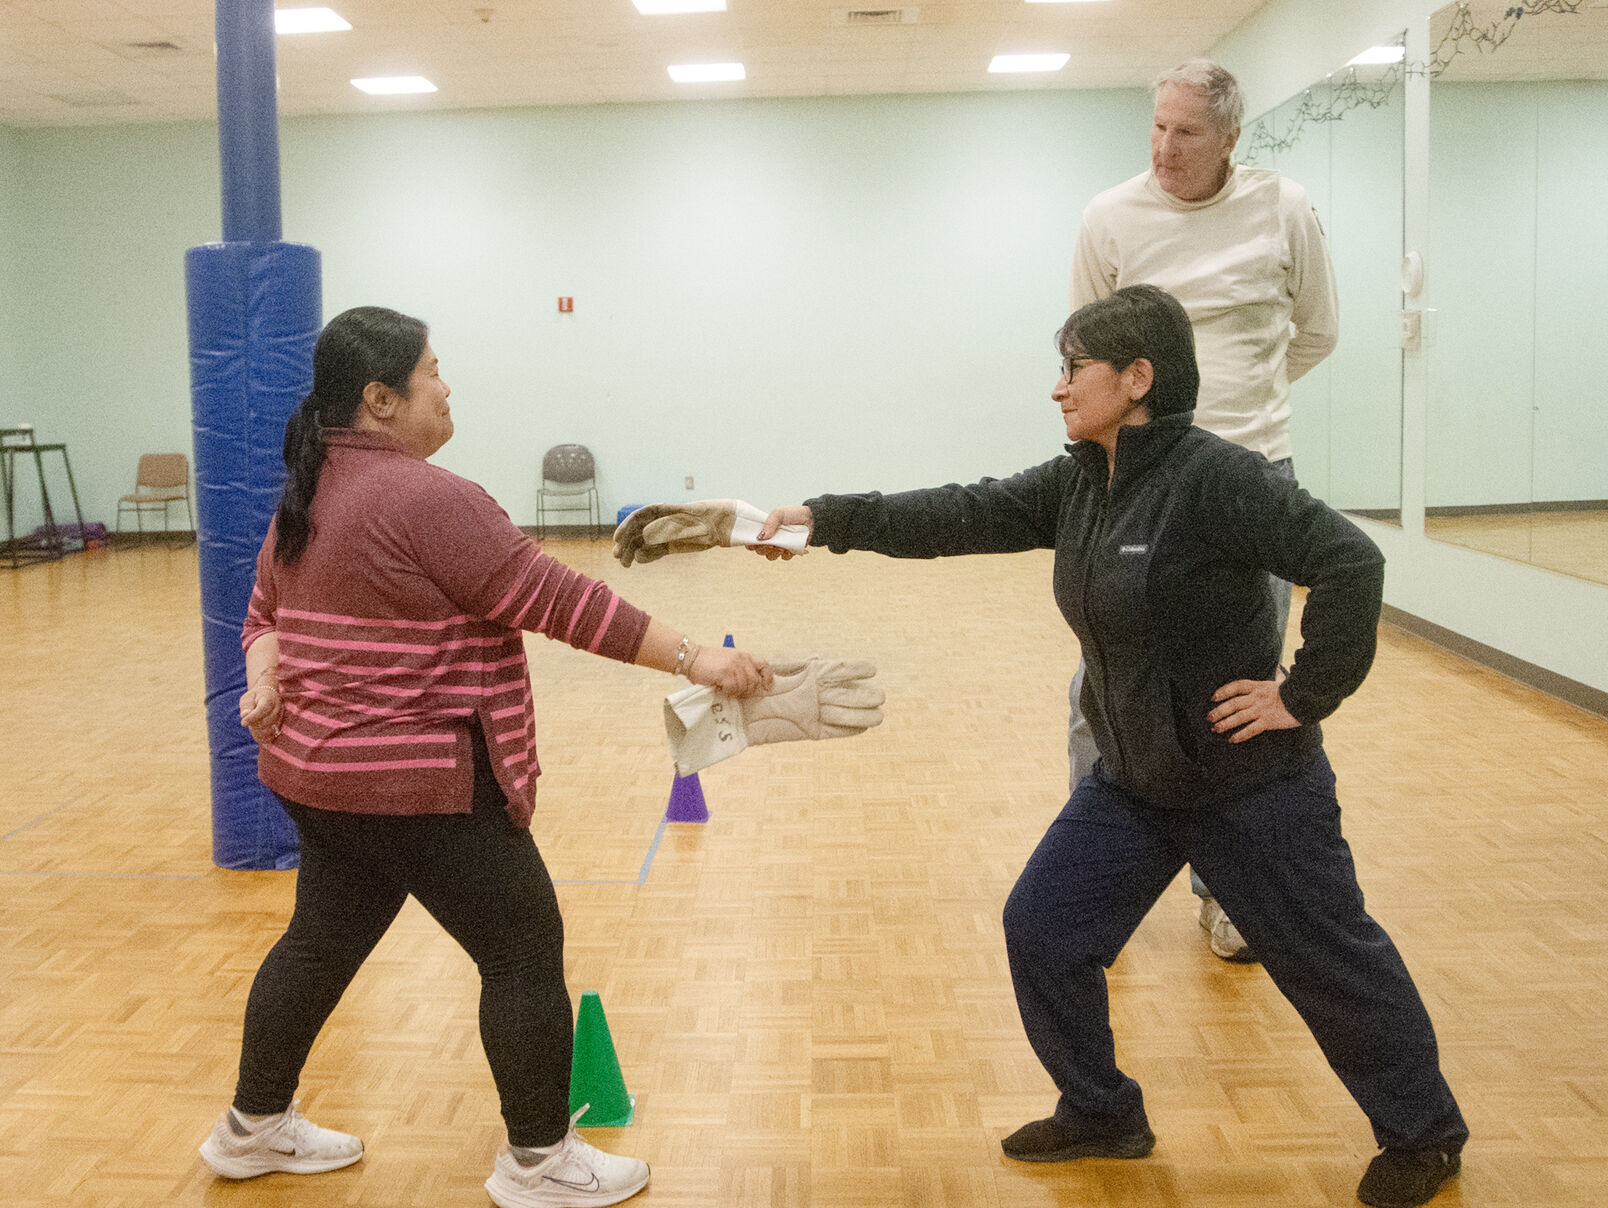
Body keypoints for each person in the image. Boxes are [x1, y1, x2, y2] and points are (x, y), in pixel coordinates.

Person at [749, 286, 1467, 1208]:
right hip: (1134, 780)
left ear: (1138, 379)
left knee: (1331, 964)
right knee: (1044, 927)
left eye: (1072, 367)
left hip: (1250, 787)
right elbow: (959, 514)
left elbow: (1349, 560)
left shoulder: (1218, 479)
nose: (1057, 389)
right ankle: (1101, 1111)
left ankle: (1425, 1135)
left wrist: (1301, 694)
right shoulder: (1083, 481)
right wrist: (819, 518)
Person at [198, 306, 772, 1208]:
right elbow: (560, 601)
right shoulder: (432, 499)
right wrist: (699, 657)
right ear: (382, 400)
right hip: (416, 781)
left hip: (321, 782)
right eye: (434, 371)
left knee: (319, 941)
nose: (448, 384)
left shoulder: (308, 492)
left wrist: (264, 671)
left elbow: (262, 612)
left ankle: (252, 1127)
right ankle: (541, 1162)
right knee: (522, 951)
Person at [1068, 58, 1340, 961]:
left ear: (1230, 137)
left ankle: (1229, 898)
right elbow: (1087, 346)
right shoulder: (1112, 217)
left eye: (1186, 132)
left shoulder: (1283, 209)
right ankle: (1094, 896)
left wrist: (1230, 426)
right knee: (1103, 689)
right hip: (1136, 482)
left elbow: (1316, 331)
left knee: (1237, 699)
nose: (1165, 147)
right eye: (1156, 126)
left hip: (1250, 481)